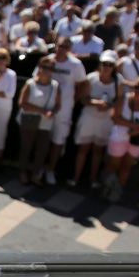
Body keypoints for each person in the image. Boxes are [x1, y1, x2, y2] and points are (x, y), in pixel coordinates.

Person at [71, 50, 121, 188]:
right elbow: (83, 98)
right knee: (83, 149)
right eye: (104, 64)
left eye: (110, 64)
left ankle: (93, 179)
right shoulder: (91, 78)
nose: (106, 67)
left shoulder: (118, 81)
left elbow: (120, 101)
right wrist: (96, 103)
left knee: (98, 151)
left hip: (105, 121)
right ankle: (76, 177)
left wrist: (109, 106)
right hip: (89, 118)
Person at [101, 76, 139, 202]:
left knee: (127, 166)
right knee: (114, 164)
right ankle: (107, 188)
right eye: (136, 87)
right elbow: (114, 117)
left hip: (136, 139)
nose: (138, 90)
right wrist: (132, 126)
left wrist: (138, 130)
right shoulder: (123, 99)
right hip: (119, 136)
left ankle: (117, 191)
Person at [44, 37, 88, 185]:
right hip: (45, 107)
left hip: (64, 109)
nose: (63, 49)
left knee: (58, 140)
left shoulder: (76, 65)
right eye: (61, 46)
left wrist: (73, 100)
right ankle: (40, 167)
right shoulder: (48, 60)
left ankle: (51, 169)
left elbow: (83, 84)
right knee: (42, 138)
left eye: (66, 47)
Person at [17, 55, 61, 185]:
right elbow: (22, 103)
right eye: (45, 67)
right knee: (26, 147)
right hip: (30, 120)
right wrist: (42, 111)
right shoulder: (30, 84)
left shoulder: (55, 85)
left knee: (42, 150)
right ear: (39, 68)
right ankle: (23, 172)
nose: (48, 70)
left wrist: (53, 112)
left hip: (46, 123)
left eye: (51, 68)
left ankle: (36, 174)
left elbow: (58, 104)